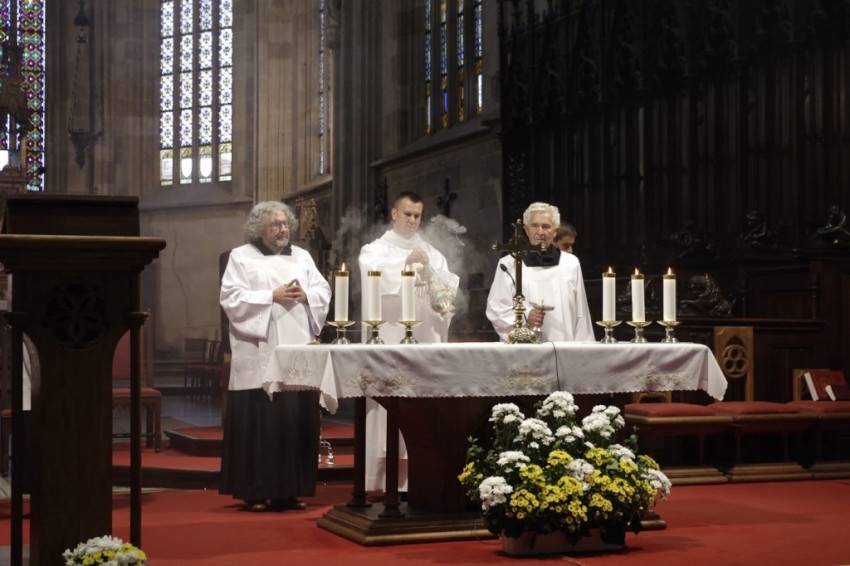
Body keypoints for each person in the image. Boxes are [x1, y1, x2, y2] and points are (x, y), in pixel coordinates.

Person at [219, 201, 331, 512]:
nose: (283, 229)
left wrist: (307, 295)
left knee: (293, 421)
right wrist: (271, 296)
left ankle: (289, 492)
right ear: (260, 229)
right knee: (260, 425)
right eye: (275, 225)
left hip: (297, 351)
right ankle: (255, 492)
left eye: (285, 224)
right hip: (259, 353)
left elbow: (323, 291)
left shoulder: (302, 257)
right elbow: (231, 298)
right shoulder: (241, 257)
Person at [358, 191, 459, 492]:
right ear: (394, 214)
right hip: (389, 337)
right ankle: (380, 480)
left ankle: (420, 478)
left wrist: (438, 284)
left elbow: (448, 285)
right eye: (407, 214)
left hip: (423, 338)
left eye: (417, 215)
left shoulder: (432, 252)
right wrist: (405, 263)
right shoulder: (374, 250)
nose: (413, 220)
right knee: (387, 404)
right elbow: (373, 276)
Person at [486, 202, 595, 342]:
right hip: (524, 347)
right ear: (526, 230)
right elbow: (496, 309)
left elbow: (581, 313)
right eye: (535, 226)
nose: (540, 232)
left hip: (563, 346)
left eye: (546, 226)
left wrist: (583, 349)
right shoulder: (509, 264)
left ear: (555, 231)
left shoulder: (570, 263)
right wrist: (525, 317)